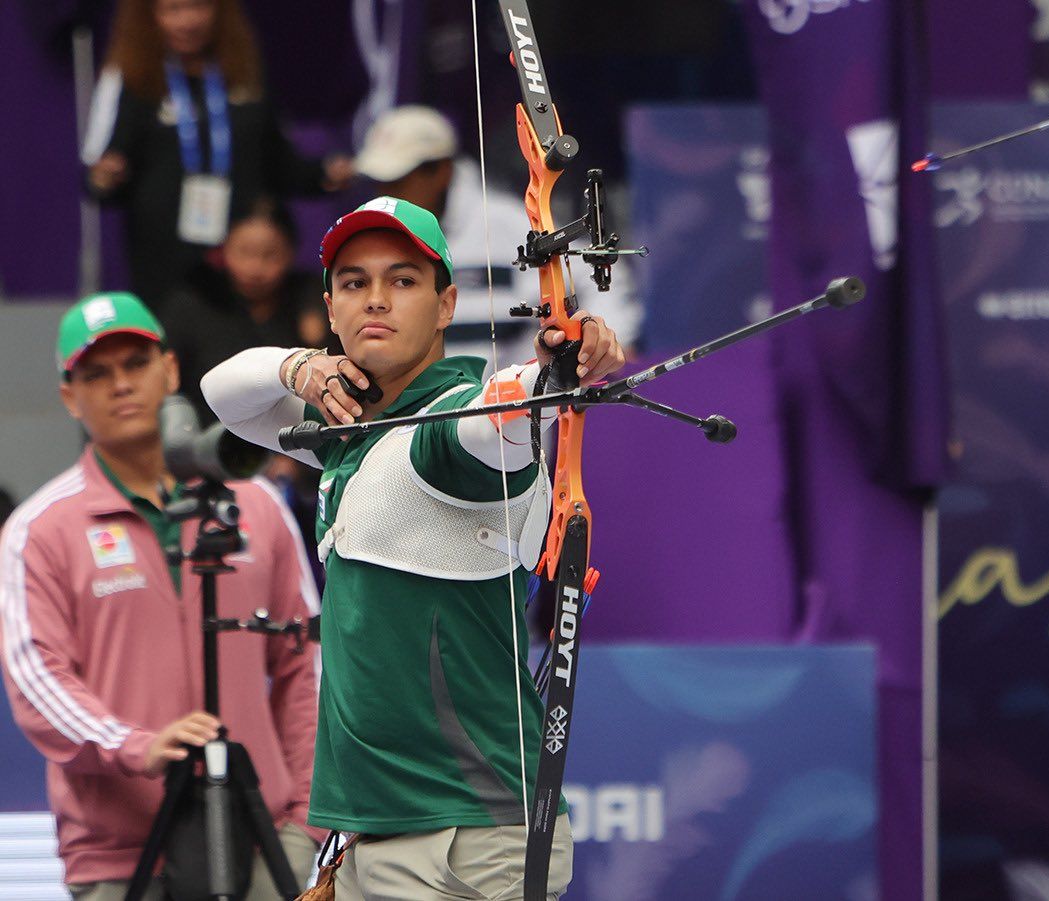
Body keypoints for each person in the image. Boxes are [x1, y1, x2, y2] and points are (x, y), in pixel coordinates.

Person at [201, 196, 627, 899]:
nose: (376, 300)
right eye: (354, 282)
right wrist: (300, 367)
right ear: (330, 308)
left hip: (467, 844)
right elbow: (225, 394)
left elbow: (498, 416)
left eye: (402, 281)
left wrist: (555, 369)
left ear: (445, 302)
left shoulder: (448, 431)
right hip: (371, 839)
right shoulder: (347, 432)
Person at [0, 292, 322, 899]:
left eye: (136, 364)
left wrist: (303, 820)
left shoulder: (257, 507)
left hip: (260, 838)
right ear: (70, 397)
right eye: (96, 374)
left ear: (170, 370)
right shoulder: (38, 529)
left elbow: (306, 664)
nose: (121, 385)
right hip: (118, 855)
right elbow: (36, 679)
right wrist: (134, 745)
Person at [82, 0, 354, 311]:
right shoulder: (129, 78)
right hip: (164, 267)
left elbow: (279, 164)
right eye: (173, 10)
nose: (188, 21)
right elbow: (102, 174)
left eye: (199, 7)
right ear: (148, 16)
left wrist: (324, 174)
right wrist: (104, 177)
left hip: (242, 266)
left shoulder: (244, 71)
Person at [353, 105, 641, 364]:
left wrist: (607, 341)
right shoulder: (378, 233)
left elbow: (596, 274)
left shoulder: (506, 222)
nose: (387, 193)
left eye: (398, 180)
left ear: (441, 171)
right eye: (380, 182)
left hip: (506, 409)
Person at [164, 198, 328, 426]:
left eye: (270, 255)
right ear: (223, 249)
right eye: (244, 252)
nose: (255, 268)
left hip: (298, 442)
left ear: (291, 253)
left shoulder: (312, 302)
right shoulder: (192, 304)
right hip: (207, 443)